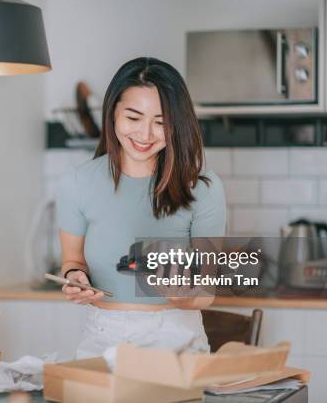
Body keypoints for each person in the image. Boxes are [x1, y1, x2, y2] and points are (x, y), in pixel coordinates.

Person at [56, 57, 226, 359]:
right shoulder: (77, 183)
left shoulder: (202, 187)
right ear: (112, 115)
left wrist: (181, 293)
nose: (145, 134)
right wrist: (75, 280)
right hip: (101, 337)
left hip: (175, 338)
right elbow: (73, 261)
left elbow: (206, 292)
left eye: (161, 122)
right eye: (133, 118)